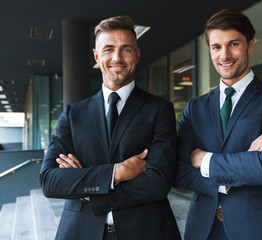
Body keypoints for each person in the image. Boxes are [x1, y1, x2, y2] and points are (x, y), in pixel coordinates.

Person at [40, 16, 181, 240]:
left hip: (146, 230)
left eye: (126, 49)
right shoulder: (73, 114)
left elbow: (158, 181)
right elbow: (51, 181)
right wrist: (117, 173)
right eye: (108, 49)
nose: (117, 58)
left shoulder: (159, 110)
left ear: (137, 54)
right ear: (97, 56)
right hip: (81, 231)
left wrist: (88, 189)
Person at [173, 8, 262, 240]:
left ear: (250, 45)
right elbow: (178, 171)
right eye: (216, 47)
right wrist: (241, 166)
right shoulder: (195, 107)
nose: (224, 55)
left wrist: (203, 159)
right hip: (203, 229)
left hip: (257, 229)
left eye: (234, 44)